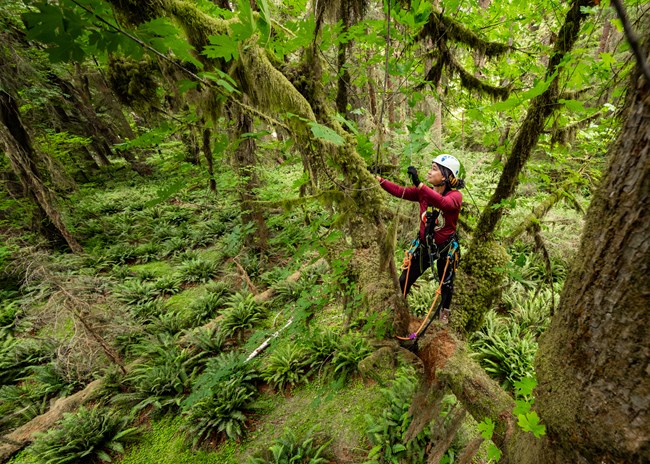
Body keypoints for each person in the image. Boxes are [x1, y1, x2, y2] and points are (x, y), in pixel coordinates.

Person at [375, 154, 465, 322]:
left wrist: (420, 184)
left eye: (434, 169)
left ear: (446, 176)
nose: (429, 172)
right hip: (425, 246)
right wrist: (377, 179)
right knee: (404, 280)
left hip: (446, 248)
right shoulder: (423, 193)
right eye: (430, 168)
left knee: (446, 284)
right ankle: (397, 313)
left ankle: (443, 317)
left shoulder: (455, 196)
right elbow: (399, 191)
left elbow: (443, 203)